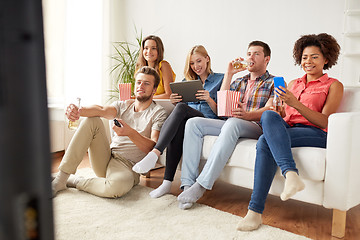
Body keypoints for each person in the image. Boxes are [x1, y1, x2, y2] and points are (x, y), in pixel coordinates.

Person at [237, 33, 343, 231]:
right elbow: (285, 115)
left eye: (314, 57)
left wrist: (296, 104)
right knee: (269, 116)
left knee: (263, 142)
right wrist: (281, 109)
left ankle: (255, 212)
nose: (308, 61)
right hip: (289, 128)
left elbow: (325, 120)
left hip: (316, 132)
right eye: (304, 57)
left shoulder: (333, 85)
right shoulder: (293, 83)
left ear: (326, 59)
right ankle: (291, 175)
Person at [177, 41, 275, 209]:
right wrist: (229, 73)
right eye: (249, 53)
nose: (251, 57)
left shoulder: (273, 82)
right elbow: (222, 109)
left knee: (233, 123)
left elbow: (271, 109)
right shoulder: (239, 81)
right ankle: (187, 184)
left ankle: (202, 185)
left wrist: (247, 115)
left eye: (256, 54)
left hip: (255, 126)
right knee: (193, 123)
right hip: (234, 122)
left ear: (267, 59)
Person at [51, 66, 167, 198]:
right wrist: (78, 111)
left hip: (128, 166)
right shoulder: (123, 105)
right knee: (92, 121)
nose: (141, 86)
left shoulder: (158, 113)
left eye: (146, 83)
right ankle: (61, 179)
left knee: (115, 188)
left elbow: (153, 147)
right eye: (139, 82)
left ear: (154, 89)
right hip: (107, 157)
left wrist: (130, 132)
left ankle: (76, 181)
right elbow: (101, 109)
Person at [132, 45, 224, 200]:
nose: (196, 66)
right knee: (179, 119)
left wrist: (208, 98)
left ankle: (155, 153)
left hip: (209, 122)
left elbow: (222, 113)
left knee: (181, 109)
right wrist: (174, 102)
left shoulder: (221, 79)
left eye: (199, 61)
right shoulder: (186, 82)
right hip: (190, 122)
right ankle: (167, 183)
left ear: (207, 59)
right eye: (192, 64)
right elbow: (184, 110)